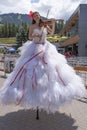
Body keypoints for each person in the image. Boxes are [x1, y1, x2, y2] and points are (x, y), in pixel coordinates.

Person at [0, 11, 86, 116]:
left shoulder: (44, 24)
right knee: (31, 69)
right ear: (33, 17)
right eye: (35, 16)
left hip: (46, 48)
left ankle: (48, 96)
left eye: (38, 15)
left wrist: (53, 23)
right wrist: (35, 35)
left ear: (39, 16)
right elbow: (29, 37)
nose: (37, 17)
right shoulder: (32, 26)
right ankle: (34, 94)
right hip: (34, 48)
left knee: (52, 68)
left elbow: (52, 33)